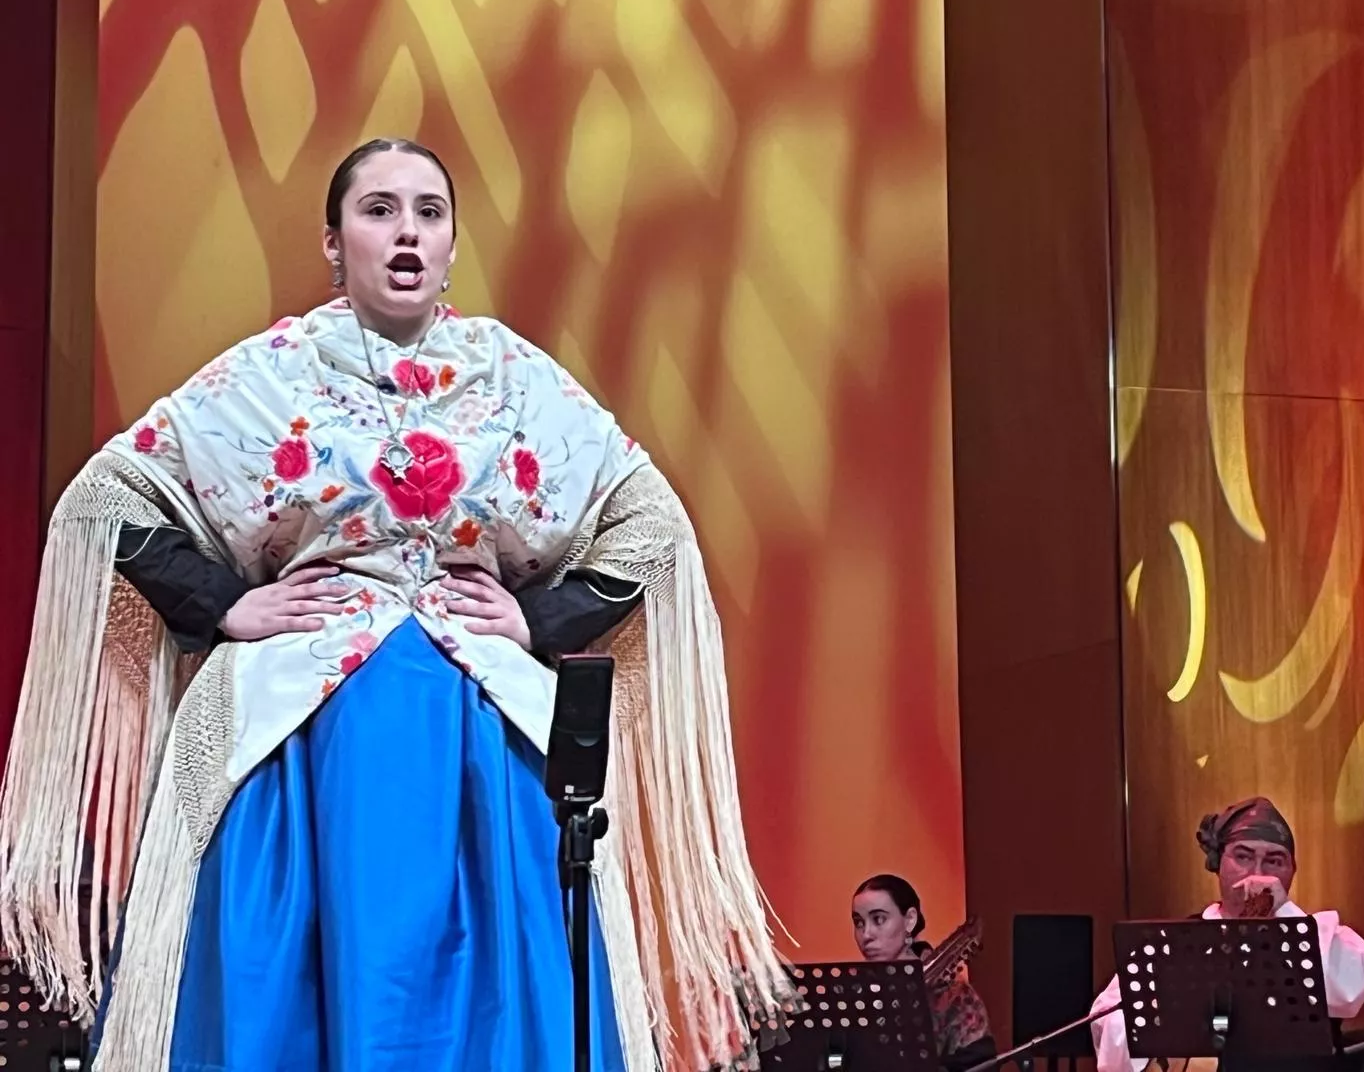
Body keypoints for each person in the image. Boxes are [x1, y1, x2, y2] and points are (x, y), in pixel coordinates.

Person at [0, 138, 792, 1072]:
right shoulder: (268, 375)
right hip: (301, 739)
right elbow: (104, 501)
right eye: (378, 210)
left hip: (481, 744)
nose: (406, 232)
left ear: (453, 243)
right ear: (333, 242)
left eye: (428, 211)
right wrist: (224, 607)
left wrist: (539, 622)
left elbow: (651, 528)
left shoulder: (511, 376)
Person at [1088, 798, 1364, 1072]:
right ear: (1218, 864)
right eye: (1243, 857)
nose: (1258, 873)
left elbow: (1357, 982)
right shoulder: (1169, 945)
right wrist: (1164, 1021)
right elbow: (1106, 1020)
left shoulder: (1318, 935)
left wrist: (1280, 913)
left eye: (1274, 861)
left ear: (1292, 871)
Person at [852, 874, 996, 1071]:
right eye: (859, 923)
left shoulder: (953, 994)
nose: (866, 934)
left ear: (910, 920)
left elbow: (981, 1065)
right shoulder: (855, 991)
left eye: (878, 919)